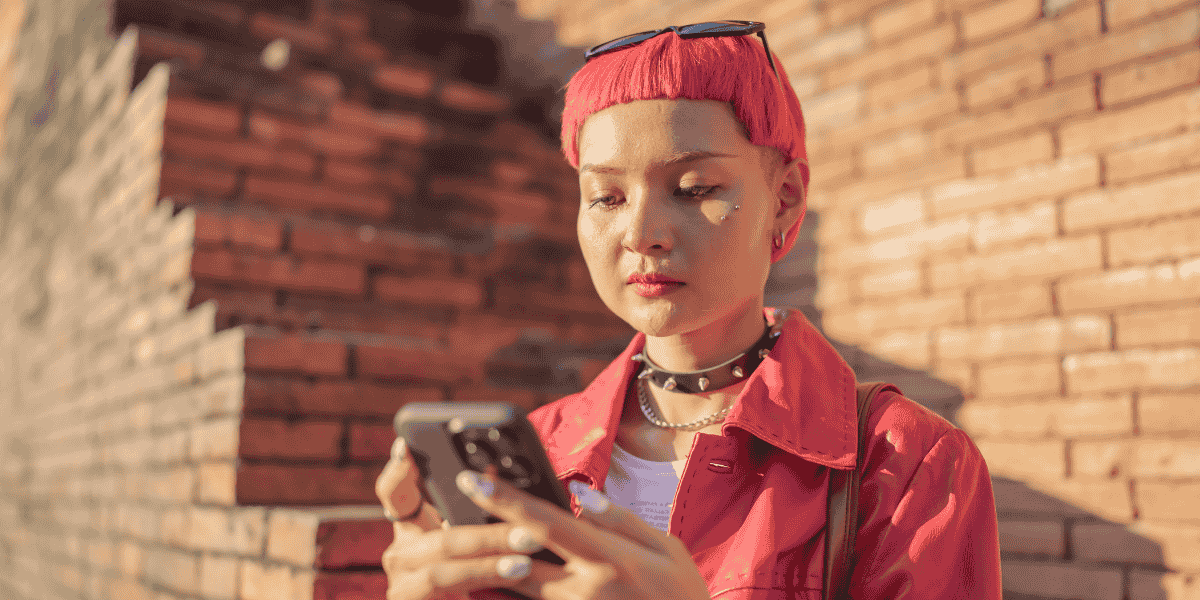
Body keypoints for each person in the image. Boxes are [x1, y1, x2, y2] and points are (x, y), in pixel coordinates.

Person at [375, 21, 1003, 600]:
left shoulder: (910, 463)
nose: (641, 232)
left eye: (695, 188)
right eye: (606, 197)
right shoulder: (538, 448)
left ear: (784, 200)